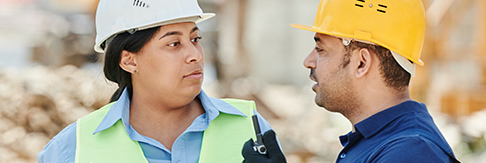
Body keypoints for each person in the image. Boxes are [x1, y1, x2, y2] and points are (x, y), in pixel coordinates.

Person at [37, 0, 283, 162]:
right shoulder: (73, 149)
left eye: (195, 39)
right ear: (129, 61)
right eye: (174, 44)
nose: (195, 55)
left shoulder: (252, 129)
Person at [289, 0, 459, 162]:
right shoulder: (380, 142)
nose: (308, 61)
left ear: (361, 63)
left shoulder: (410, 153)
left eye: (320, 50)